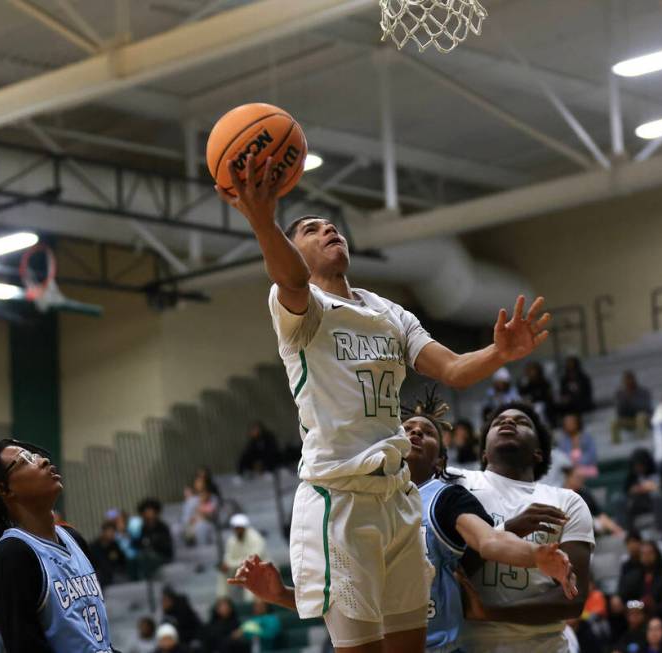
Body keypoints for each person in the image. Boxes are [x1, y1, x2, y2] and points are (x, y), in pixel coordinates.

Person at [217, 151, 551, 653]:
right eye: (311, 229)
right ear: (293, 250)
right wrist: (263, 219)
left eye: (333, 226)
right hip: (340, 497)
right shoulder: (301, 309)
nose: (329, 230)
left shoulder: (388, 311)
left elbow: (455, 370)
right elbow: (286, 277)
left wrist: (500, 352)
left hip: (396, 497)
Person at [228, 389, 576, 653]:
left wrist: (534, 556)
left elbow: (489, 541)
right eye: (406, 428)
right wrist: (279, 595)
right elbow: (350, 601)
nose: (414, 433)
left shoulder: (445, 497)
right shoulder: (360, 503)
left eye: (426, 432)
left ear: (440, 459)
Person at [451, 403, 595, 653]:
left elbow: (574, 599)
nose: (507, 422)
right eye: (498, 422)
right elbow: (445, 570)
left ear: (538, 452)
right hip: (467, 645)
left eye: (522, 422)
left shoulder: (567, 501)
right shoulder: (456, 482)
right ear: (483, 451)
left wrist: (490, 613)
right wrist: (509, 530)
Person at [0, 439, 112, 653]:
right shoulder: (12, 555)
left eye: (34, 455)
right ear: (4, 489)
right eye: (24, 461)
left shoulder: (73, 538)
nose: (42, 461)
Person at [618, 448, 662, 541]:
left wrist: (656, 487)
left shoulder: (661, 469)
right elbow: (626, 490)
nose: (638, 469)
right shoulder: (633, 474)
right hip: (642, 502)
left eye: (640, 466)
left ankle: (661, 532)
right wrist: (634, 490)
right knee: (620, 500)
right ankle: (628, 534)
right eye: (636, 466)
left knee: (657, 496)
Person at [618, 540, 662, 617]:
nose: (646, 557)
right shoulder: (633, 576)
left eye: (649, 553)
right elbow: (625, 601)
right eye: (643, 554)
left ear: (656, 554)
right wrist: (640, 604)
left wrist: (652, 606)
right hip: (637, 616)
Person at [563, 466, 625, 538]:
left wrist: (615, 528)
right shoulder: (561, 495)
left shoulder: (585, 493)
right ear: (568, 478)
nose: (581, 480)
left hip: (590, 525)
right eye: (577, 477)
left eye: (582, 478)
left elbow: (599, 515)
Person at [218, 514, 265, 601]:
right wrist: (230, 564)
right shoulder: (232, 540)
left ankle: (249, 603)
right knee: (223, 573)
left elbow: (252, 560)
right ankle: (223, 600)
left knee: (249, 576)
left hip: (258, 570)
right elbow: (227, 559)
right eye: (236, 528)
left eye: (239, 527)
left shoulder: (255, 538)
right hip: (240, 569)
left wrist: (231, 564)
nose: (237, 530)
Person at [134, 498, 174, 578]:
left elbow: (166, 546)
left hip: (162, 555)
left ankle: (146, 579)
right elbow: (140, 543)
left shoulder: (162, 527)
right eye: (145, 511)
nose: (148, 514)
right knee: (135, 559)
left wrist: (153, 543)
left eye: (150, 511)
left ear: (155, 512)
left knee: (147, 558)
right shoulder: (143, 528)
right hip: (147, 554)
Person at [612, 371, 653, 443]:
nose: (629, 382)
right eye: (626, 380)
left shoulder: (643, 392)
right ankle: (616, 442)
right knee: (614, 422)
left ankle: (642, 439)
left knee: (640, 416)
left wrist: (631, 401)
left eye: (630, 380)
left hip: (644, 419)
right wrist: (624, 401)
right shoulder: (620, 394)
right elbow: (620, 413)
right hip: (630, 420)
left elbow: (646, 408)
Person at [181, 475, 220, 546]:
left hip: (207, 523)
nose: (199, 485)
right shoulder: (191, 500)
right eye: (197, 482)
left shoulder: (213, 499)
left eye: (201, 482)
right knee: (177, 530)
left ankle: (202, 550)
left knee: (200, 526)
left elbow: (213, 516)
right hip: (193, 523)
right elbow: (186, 518)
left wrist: (202, 514)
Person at [558, 412, 598, 478]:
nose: (569, 425)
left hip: (588, 468)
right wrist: (571, 466)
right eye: (567, 423)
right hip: (570, 471)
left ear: (577, 423)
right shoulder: (562, 442)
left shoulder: (587, 437)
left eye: (571, 422)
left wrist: (577, 465)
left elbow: (592, 455)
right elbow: (562, 458)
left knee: (575, 474)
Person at [88, 521, 127, 587]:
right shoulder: (94, 547)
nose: (112, 534)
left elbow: (122, 560)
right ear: (104, 532)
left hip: (114, 574)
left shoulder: (114, 545)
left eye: (113, 532)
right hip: (100, 576)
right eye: (110, 531)